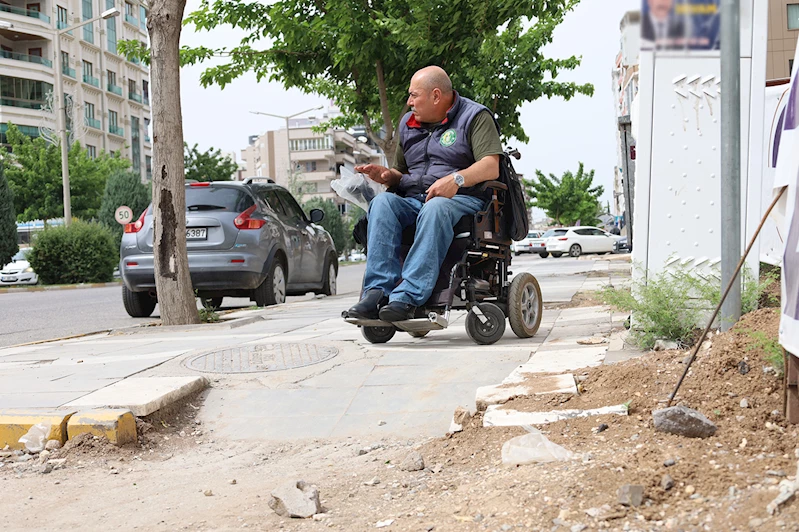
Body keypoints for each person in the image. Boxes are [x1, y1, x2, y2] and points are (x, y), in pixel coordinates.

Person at [346, 66, 503, 322]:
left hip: (462, 199)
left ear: (436, 96)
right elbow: (401, 170)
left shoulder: (475, 116)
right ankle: (376, 292)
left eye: (413, 95)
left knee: (436, 206)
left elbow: (491, 165)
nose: (409, 102)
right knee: (383, 202)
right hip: (415, 199)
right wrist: (388, 176)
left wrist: (455, 179)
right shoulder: (408, 124)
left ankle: (407, 296)